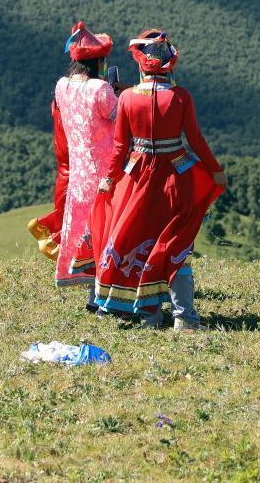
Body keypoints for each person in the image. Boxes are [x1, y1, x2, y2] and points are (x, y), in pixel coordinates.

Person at [83, 29, 226, 330]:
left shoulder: (127, 99)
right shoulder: (181, 97)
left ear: (139, 63)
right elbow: (196, 140)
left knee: (136, 242)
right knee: (176, 244)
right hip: (176, 176)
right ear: (170, 64)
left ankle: (148, 313)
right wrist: (215, 170)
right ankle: (184, 317)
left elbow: (121, 148)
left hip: (136, 178)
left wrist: (108, 179)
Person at [27, 20, 120, 308]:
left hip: (78, 174)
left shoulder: (61, 86)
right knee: (110, 231)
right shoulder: (101, 89)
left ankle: (93, 293)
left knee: (87, 232)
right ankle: (107, 294)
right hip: (106, 172)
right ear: (99, 61)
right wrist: (122, 92)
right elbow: (121, 119)